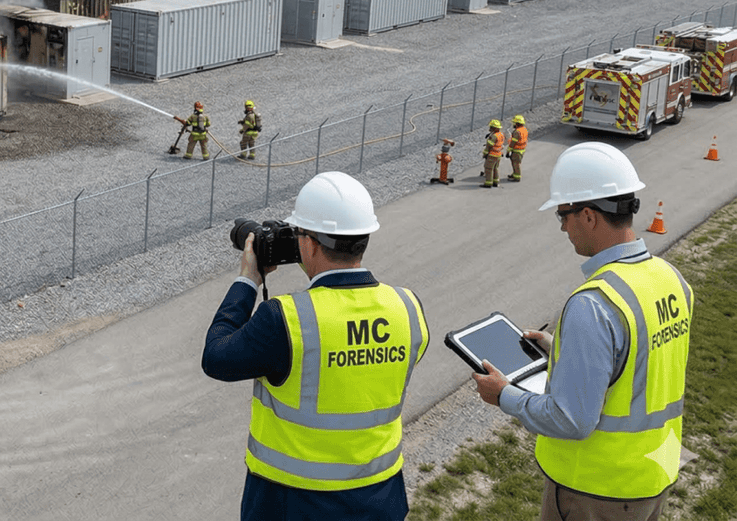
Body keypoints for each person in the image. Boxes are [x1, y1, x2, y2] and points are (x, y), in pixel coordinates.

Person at [470, 141, 693, 521]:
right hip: (650, 477)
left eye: (563, 215)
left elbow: (571, 420)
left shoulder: (593, 303)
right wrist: (561, 348)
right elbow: (639, 360)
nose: (562, 227)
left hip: (596, 491)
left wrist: (504, 396)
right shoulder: (670, 279)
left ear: (588, 216)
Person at [203, 172, 429, 520]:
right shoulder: (407, 307)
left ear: (307, 244)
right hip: (379, 498)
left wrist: (248, 280)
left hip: (292, 503)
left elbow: (216, 357)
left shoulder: (286, 319)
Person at [482, 119, 506, 188]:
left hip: (492, 154)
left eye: (491, 127)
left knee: (488, 168)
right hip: (498, 154)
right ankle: (496, 182)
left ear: (494, 128)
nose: (490, 129)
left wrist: (485, 154)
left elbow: (488, 146)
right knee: (495, 168)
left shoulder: (493, 136)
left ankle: (488, 183)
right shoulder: (501, 134)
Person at [507, 114, 529, 182]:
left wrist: (508, 150)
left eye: (514, 123)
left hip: (516, 150)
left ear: (517, 123)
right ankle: (514, 174)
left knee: (515, 164)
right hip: (522, 149)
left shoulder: (517, 131)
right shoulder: (524, 129)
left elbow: (513, 142)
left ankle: (517, 177)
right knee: (516, 163)